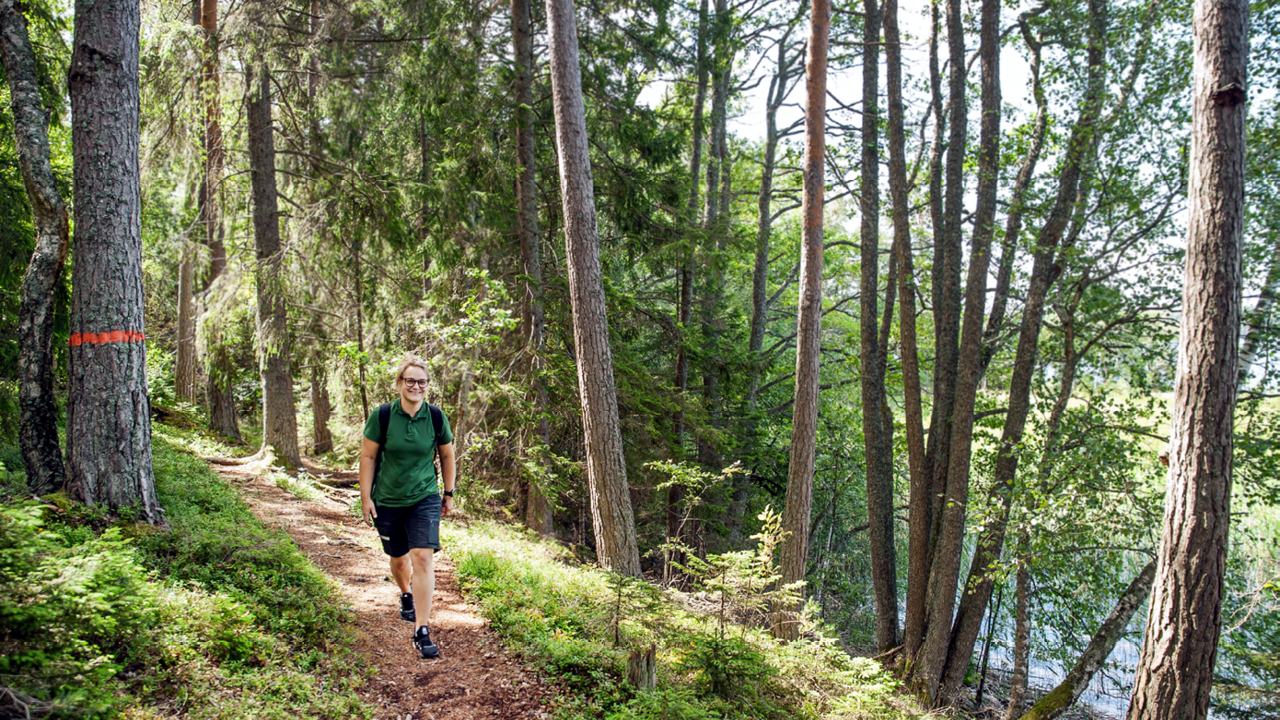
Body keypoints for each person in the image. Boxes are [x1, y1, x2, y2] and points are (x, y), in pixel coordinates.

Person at [358, 354, 456, 659]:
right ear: (400, 383)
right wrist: (365, 497)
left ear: (428, 386)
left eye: (422, 382)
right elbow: (368, 457)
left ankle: (421, 629)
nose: (416, 386)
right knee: (399, 560)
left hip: (424, 497)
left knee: (422, 557)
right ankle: (405, 593)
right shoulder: (383, 415)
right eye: (410, 380)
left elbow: (448, 456)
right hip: (387, 498)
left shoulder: (436, 417)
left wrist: (448, 494)